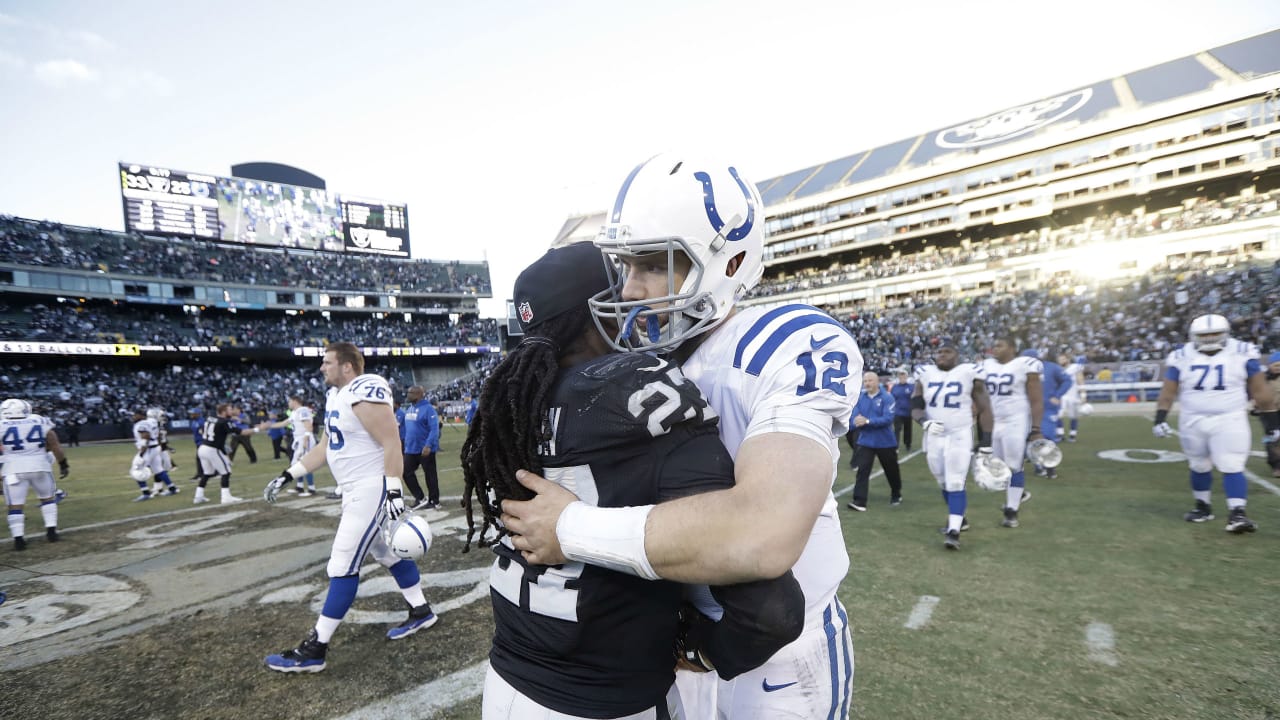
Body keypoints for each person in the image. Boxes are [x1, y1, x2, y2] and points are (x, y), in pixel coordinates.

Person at [500, 154, 859, 718]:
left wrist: (571, 527)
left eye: (654, 265)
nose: (631, 288)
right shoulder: (632, 363)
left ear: (732, 260)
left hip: (781, 664)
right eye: (625, 266)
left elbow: (763, 534)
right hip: (676, 652)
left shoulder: (781, 341)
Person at [462, 243, 803, 720]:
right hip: (609, 697)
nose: (632, 296)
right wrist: (707, 651)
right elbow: (770, 611)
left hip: (507, 679)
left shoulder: (512, 404)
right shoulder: (638, 388)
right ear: (593, 313)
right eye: (621, 283)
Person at [262, 342, 437, 673]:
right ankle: (421, 610)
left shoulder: (365, 387)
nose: (321, 367)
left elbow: (391, 441)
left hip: (371, 491)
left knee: (341, 564)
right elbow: (325, 448)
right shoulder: (336, 397)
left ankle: (316, 647)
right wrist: (289, 474)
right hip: (355, 491)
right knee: (386, 554)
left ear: (347, 366)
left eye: (327, 362)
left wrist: (394, 491)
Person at [1153, 314, 1279, 533]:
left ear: (1225, 333)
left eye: (1214, 334)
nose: (1210, 338)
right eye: (1204, 335)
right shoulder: (1180, 356)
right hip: (1193, 418)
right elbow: (1168, 390)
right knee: (1198, 464)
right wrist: (1160, 418)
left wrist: (1271, 422)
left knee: (1232, 463)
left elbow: (1260, 390)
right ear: (1194, 336)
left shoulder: (1242, 352)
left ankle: (1237, 513)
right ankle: (1203, 506)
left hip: (1230, 417)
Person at [913, 341, 995, 550]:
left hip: (959, 433)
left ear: (957, 355)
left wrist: (985, 441)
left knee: (956, 481)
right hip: (934, 435)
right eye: (939, 352)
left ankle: (954, 532)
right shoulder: (925, 373)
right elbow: (915, 405)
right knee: (942, 480)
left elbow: (985, 408)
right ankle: (960, 517)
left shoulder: (969, 372)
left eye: (947, 351)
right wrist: (925, 422)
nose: (942, 355)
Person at [982, 337, 1045, 528]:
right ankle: (1019, 492)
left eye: (1000, 345)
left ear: (1012, 348)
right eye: (993, 345)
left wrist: (1035, 429)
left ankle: (1012, 511)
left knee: (1014, 465)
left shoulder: (1025, 364)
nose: (995, 349)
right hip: (996, 421)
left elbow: (1036, 399)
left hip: (1016, 420)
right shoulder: (986, 365)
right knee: (998, 467)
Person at [1, 398, 69, 550]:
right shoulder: (40, 421)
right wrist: (63, 463)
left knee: (15, 506)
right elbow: (54, 443)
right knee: (47, 499)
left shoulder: (1, 424)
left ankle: (18, 540)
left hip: (13, 469)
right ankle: (51, 532)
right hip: (40, 466)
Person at [846, 371, 903, 511]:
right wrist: (856, 421)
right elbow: (854, 417)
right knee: (862, 471)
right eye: (865, 381)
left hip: (885, 442)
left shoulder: (887, 397)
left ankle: (896, 493)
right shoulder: (860, 397)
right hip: (866, 441)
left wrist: (867, 421)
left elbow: (888, 419)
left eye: (870, 380)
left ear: (878, 382)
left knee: (891, 470)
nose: (868, 383)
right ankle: (859, 501)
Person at [194, 403, 257, 504]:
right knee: (226, 472)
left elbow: (204, 430)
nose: (231, 411)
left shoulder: (210, 417)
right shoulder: (224, 422)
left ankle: (198, 496)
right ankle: (226, 497)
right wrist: (258, 429)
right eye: (229, 409)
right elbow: (242, 432)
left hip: (202, 447)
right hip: (212, 449)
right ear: (224, 412)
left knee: (207, 473)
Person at [260, 397, 317, 496]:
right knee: (296, 465)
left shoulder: (302, 410)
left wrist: (306, 438)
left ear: (295, 401)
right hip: (298, 439)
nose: (288, 403)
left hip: (304, 438)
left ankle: (311, 489)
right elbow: (283, 423)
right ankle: (300, 487)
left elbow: (308, 425)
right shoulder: (294, 412)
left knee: (305, 463)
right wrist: (268, 425)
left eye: (290, 401)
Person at [1026, 349, 1069, 478]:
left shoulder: (1051, 368)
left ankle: (1050, 467)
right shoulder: (1020, 371)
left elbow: (1067, 381)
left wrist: (1057, 395)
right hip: (1028, 409)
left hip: (1047, 408)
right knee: (1032, 438)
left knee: (1047, 437)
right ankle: (1038, 466)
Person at [402, 386, 440, 510]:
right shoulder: (409, 409)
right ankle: (420, 498)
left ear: (418, 394)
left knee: (430, 475)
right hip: (411, 449)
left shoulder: (428, 409)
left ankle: (434, 500)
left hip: (425, 449)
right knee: (406, 472)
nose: (408, 395)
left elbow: (434, 429)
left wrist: (428, 445)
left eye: (410, 393)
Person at [130, 409, 178, 501]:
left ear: (142, 415)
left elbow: (146, 438)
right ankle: (172, 488)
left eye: (136, 415)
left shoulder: (142, 423)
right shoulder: (154, 422)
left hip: (148, 449)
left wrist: (141, 454)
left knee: (136, 469)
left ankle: (146, 493)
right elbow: (159, 435)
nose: (133, 417)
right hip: (155, 447)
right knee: (158, 470)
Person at [1057, 354, 1086, 443]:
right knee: (1058, 415)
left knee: (1073, 416)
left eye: (1063, 359)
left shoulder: (1075, 367)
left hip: (1073, 395)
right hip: (1061, 395)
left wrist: (1083, 395)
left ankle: (1072, 435)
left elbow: (1080, 380)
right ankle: (1060, 434)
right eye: (1059, 359)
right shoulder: (1057, 369)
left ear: (1068, 359)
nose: (1061, 361)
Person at [891, 368, 914, 451]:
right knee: (897, 429)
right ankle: (895, 446)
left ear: (906, 376)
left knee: (908, 430)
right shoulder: (895, 387)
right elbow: (891, 399)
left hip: (908, 412)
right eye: (900, 376)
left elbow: (914, 398)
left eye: (904, 376)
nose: (902, 377)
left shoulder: (911, 387)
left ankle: (908, 445)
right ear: (898, 377)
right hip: (897, 412)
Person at [1267, 351, 1280, 479]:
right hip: (1269, 412)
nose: (1278, 368)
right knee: (1272, 437)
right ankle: (1276, 465)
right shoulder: (1263, 378)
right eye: (1275, 365)